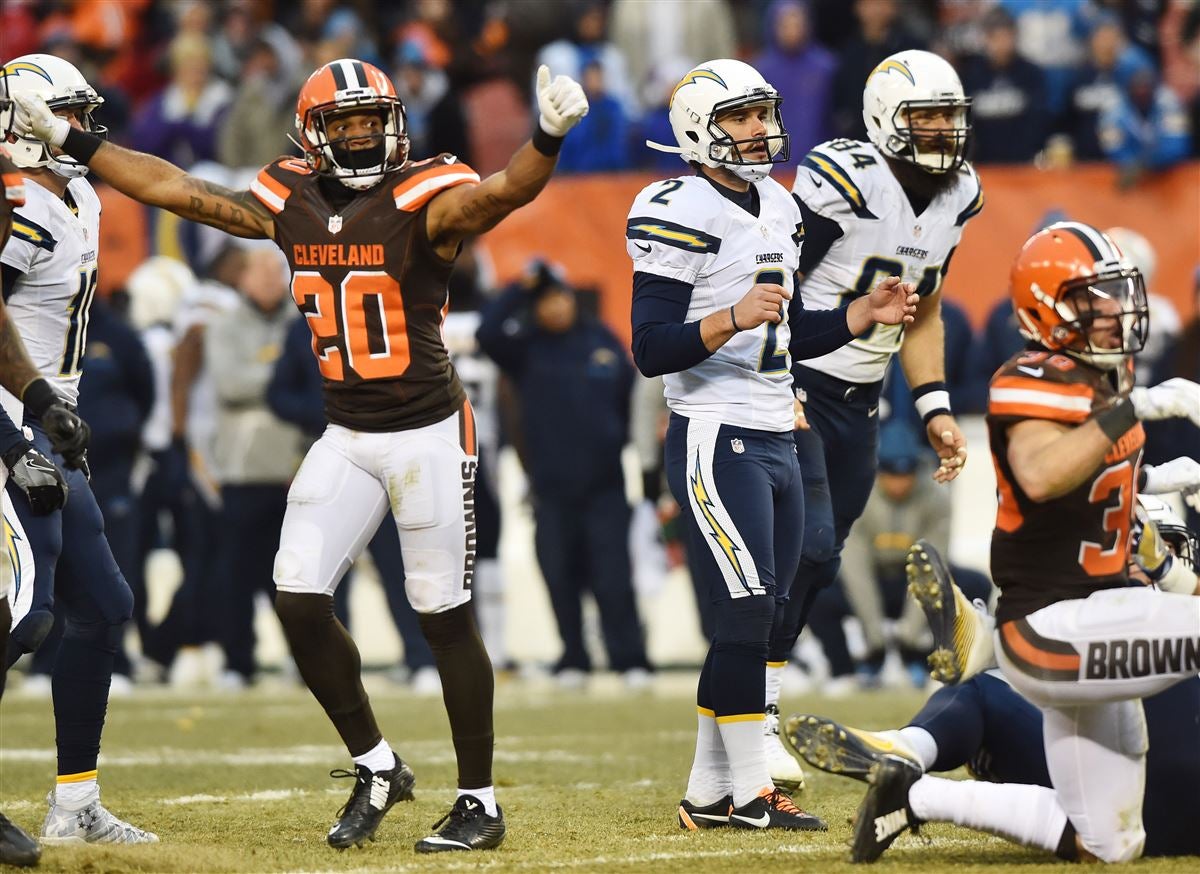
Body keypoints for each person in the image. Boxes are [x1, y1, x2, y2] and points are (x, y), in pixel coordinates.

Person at [14, 55, 590, 853]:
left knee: (443, 618)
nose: (359, 136)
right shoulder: (290, 193)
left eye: (370, 121)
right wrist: (80, 148)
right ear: (314, 134)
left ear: (394, 123)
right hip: (347, 433)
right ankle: (377, 765)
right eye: (343, 124)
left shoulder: (427, 192)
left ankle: (479, 802)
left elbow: (501, 193)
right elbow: (177, 189)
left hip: (425, 430)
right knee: (296, 599)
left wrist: (548, 138)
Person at [845, 221, 1200, 864]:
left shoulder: (1103, 385)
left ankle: (914, 799)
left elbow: (1116, 526)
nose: (1118, 311)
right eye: (1098, 298)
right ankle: (984, 647)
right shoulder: (1032, 375)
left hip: (1096, 619)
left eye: (1118, 294)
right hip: (1054, 625)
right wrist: (1136, 408)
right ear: (1051, 307)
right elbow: (1039, 473)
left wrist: (1175, 534)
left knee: (1112, 843)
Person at [628, 57, 918, 831]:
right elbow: (651, 347)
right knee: (747, 611)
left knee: (764, 612)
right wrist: (728, 317)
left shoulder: (781, 208)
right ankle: (752, 794)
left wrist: (860, 316)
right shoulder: (675, 204)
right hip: (713, 431)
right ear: (699, 129)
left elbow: (787, 334)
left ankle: (706, 794)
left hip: (778, 431)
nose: (759, 129)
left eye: (763, 113)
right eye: (741, 117)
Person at [765, 49, 981, 788]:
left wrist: (935, 409)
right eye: (927, 117)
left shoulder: (959, 196)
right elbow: (774, 281)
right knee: (810, 545)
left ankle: (756, 706)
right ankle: (750, 720)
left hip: (860, 401)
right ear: (887, 119)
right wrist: (774, 379)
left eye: (951, 116)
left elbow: (925, 310)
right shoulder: (845, 178)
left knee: (817, 563)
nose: (943, 132)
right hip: (797, 384)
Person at [788, 504, 1200, 859]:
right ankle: (906, 756)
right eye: (1131, 554)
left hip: (1151, 797)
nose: (1139, 567)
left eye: (1158, 552)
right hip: (1099, 768)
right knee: (984, 692)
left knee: (1111, 833)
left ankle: (916, 772)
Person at [1, 53, 155, 845]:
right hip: (8, 426)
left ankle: (74, 804)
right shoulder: (17, 203)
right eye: (65, 115)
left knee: (104, 607)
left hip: (51, 425)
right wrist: (14, 436)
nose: (85, 131)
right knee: (22, 618)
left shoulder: (80, 194)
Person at [477, 261, 650, 687]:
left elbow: (634, 400)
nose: (555, 307)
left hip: (605, 486)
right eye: (545, 301)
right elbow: (487, 333)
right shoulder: (525, 349)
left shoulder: (602, 341)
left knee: (613, 580)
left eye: (560, 297)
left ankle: (631, 660)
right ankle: (573, 658)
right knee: (559, 576)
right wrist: (521, 285)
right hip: (550, 490)